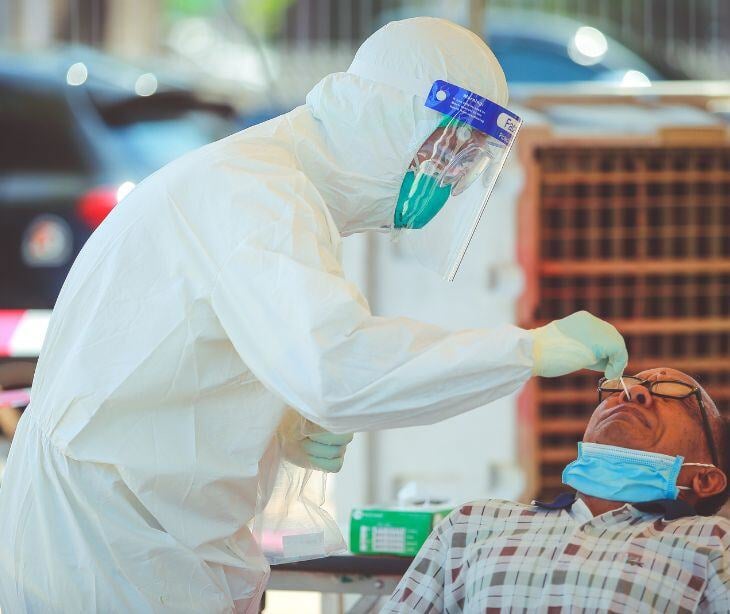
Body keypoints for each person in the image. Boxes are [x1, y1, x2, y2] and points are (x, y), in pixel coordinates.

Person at [0, 17, 627, 614]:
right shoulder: (259, 193)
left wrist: (278, 420)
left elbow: (180, 359)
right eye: (445, 150)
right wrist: (527, 351)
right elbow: (337, 370)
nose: (451, 179)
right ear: (385, 116)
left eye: (465, 160)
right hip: (106, 551)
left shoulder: (277, 188)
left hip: (146, 537)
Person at [384, 367, 730, 613]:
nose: (632, 391)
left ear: (704, 479)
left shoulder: (713, 542)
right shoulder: (473, 523)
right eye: (626, 384)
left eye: (673, 393)